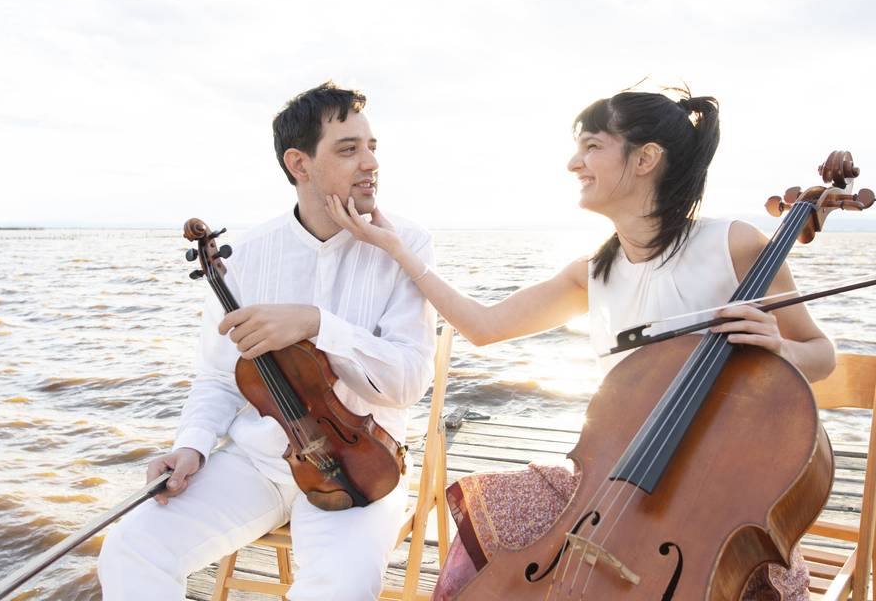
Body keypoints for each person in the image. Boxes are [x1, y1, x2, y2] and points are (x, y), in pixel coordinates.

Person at [325, 89, 836, 600]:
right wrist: (396, 249)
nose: (574, 163)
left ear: (646, 159)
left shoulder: (734, 244)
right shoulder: (595, 273)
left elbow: (820, 353)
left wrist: (782, 351)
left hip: (717, 502)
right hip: (616, 486)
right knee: (492, 514)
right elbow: (482, 326)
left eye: (592, 146)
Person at [97, 81, 438, 601]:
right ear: (299, 164)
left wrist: (318, 323)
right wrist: (190, 446)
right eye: (348, 149)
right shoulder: (248, 255)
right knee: (131, 548)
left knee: (339, 588)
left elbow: (408, 383)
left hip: (361, 468)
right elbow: (216, 377)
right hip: (256, 461)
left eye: (372, 147)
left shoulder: (405, 244)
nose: (369, 162)